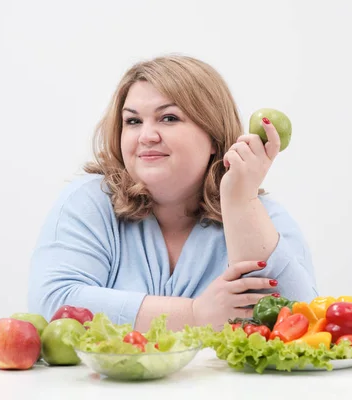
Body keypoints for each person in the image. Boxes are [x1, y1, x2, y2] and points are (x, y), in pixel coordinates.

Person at [27, 54, 318, 331]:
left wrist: (241, 201)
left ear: (213, 135)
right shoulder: (89, 200)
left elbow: (299, 320)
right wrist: (193, 315)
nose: (147, 136)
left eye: (168, 118)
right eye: (133, 121)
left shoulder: (260, 213)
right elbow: (53, 305)